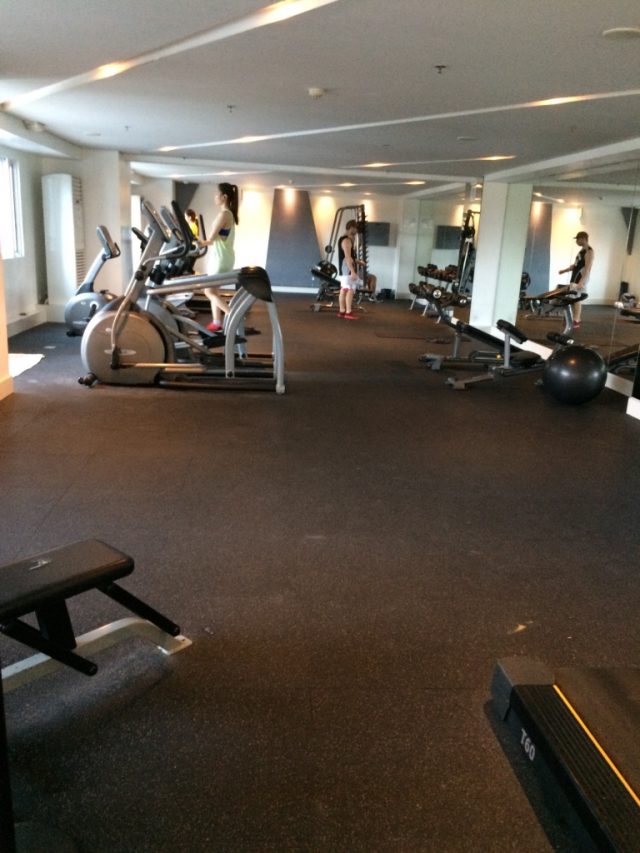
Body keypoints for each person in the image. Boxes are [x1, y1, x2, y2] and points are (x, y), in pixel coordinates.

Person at [199, 183, 239, 331]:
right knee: (213, 291)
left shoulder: (225, 214)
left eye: (217, 194)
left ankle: (234, 315)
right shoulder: (227, 214)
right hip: (221, 257)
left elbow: (210, 240)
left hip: (221, 259)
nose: (215, 196)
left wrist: (197, 242)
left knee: (208, 291)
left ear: (224, 197)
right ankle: (216, 322)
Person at [337, 220, 379, 319]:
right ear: (351, 227)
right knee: (350, 289)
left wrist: (358, 262)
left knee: (344, 289)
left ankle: (342, 311)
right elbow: (347, 257)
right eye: (355, 229)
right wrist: (352, 271)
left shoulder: (343, 239)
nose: (356, 231)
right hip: (347, 269)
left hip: (344, 268)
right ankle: (348, 313)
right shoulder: (347, 241)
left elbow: (349, 257)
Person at [559, 230, 593, 328]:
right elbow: (575, 265)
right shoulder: (581, 251)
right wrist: (564, 270)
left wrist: (581, 282)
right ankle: (574, 318)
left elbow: (587, 267)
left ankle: (576, 320)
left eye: (577, 239)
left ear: (583, 239)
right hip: (575, 277)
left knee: (577, 299)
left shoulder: (589, 251)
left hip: (580, 278)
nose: (576, 242)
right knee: (573, 299)